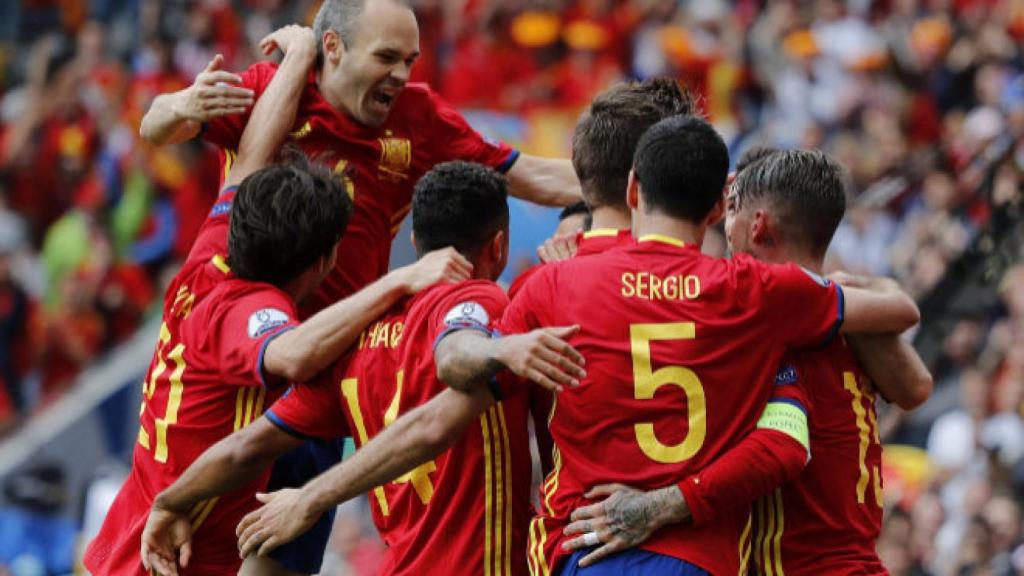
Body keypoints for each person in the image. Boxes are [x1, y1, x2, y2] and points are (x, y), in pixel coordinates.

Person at [235, 115, 921, 576]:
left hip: (586, 549)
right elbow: (904, 358)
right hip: (711, 557)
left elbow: (440, 409)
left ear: (630, 187)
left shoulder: (551, 286)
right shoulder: (761, 298)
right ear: (715, 208)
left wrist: (314, 496)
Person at [85, 27, 469, 576]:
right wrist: (398, 282)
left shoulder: (212, 250)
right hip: (164, 561)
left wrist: (299, 58)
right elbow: (290, 355)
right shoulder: (243, 311)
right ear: (324, 262)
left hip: (134, 538)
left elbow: (254, 152)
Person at [139, 161, 586, 576]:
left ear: (413, 243)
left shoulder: (359, 342)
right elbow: (440, 398)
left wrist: (169, 502)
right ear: (500, 246)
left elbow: (245, 447)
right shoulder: (477, 300)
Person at [560, 150, 932, 574]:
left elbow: (784, 448)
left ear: (757, 225)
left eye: (731, 208)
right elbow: (916, 385)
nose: (722, 223)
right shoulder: (848, 318)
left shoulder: (770, 327)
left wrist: (654, 506)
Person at [139, 0, 582, 317]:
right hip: (246, 328)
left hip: (340, 355)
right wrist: (180, 107)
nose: (402, 75)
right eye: (386, 58)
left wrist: (630, 176)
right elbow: (154, 126)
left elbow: (532, 176)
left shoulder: (419, 116)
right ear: (332, 47)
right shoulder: (270, 90)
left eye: (410, 60)